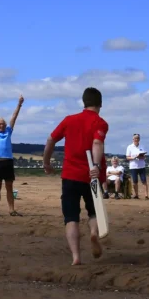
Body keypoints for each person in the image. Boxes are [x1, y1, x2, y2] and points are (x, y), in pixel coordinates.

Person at [43, 87, 108, 266]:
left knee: (71, 217)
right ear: (100, 104)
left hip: (70, 176)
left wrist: (46, 162)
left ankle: (76, 257)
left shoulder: (69, 120)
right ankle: (94, 233)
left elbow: (50, 140)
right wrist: (95, 166)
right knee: (94, 212)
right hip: (90, 177)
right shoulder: (100, 123)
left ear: (84, 102)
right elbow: (97, 143)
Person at [125, 133, 149, 199]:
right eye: (135, 138)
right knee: (135, 181)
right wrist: (135, 157)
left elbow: (144, 156)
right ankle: (136, 195)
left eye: (138, 138)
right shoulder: (129, 147)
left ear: (139, 139)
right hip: (133, 166)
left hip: (142, 166)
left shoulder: (142, 146)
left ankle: (146, 195)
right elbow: (127, 157)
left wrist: (142, 156)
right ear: (133, 139)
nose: (136, 139)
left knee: (144, 180)